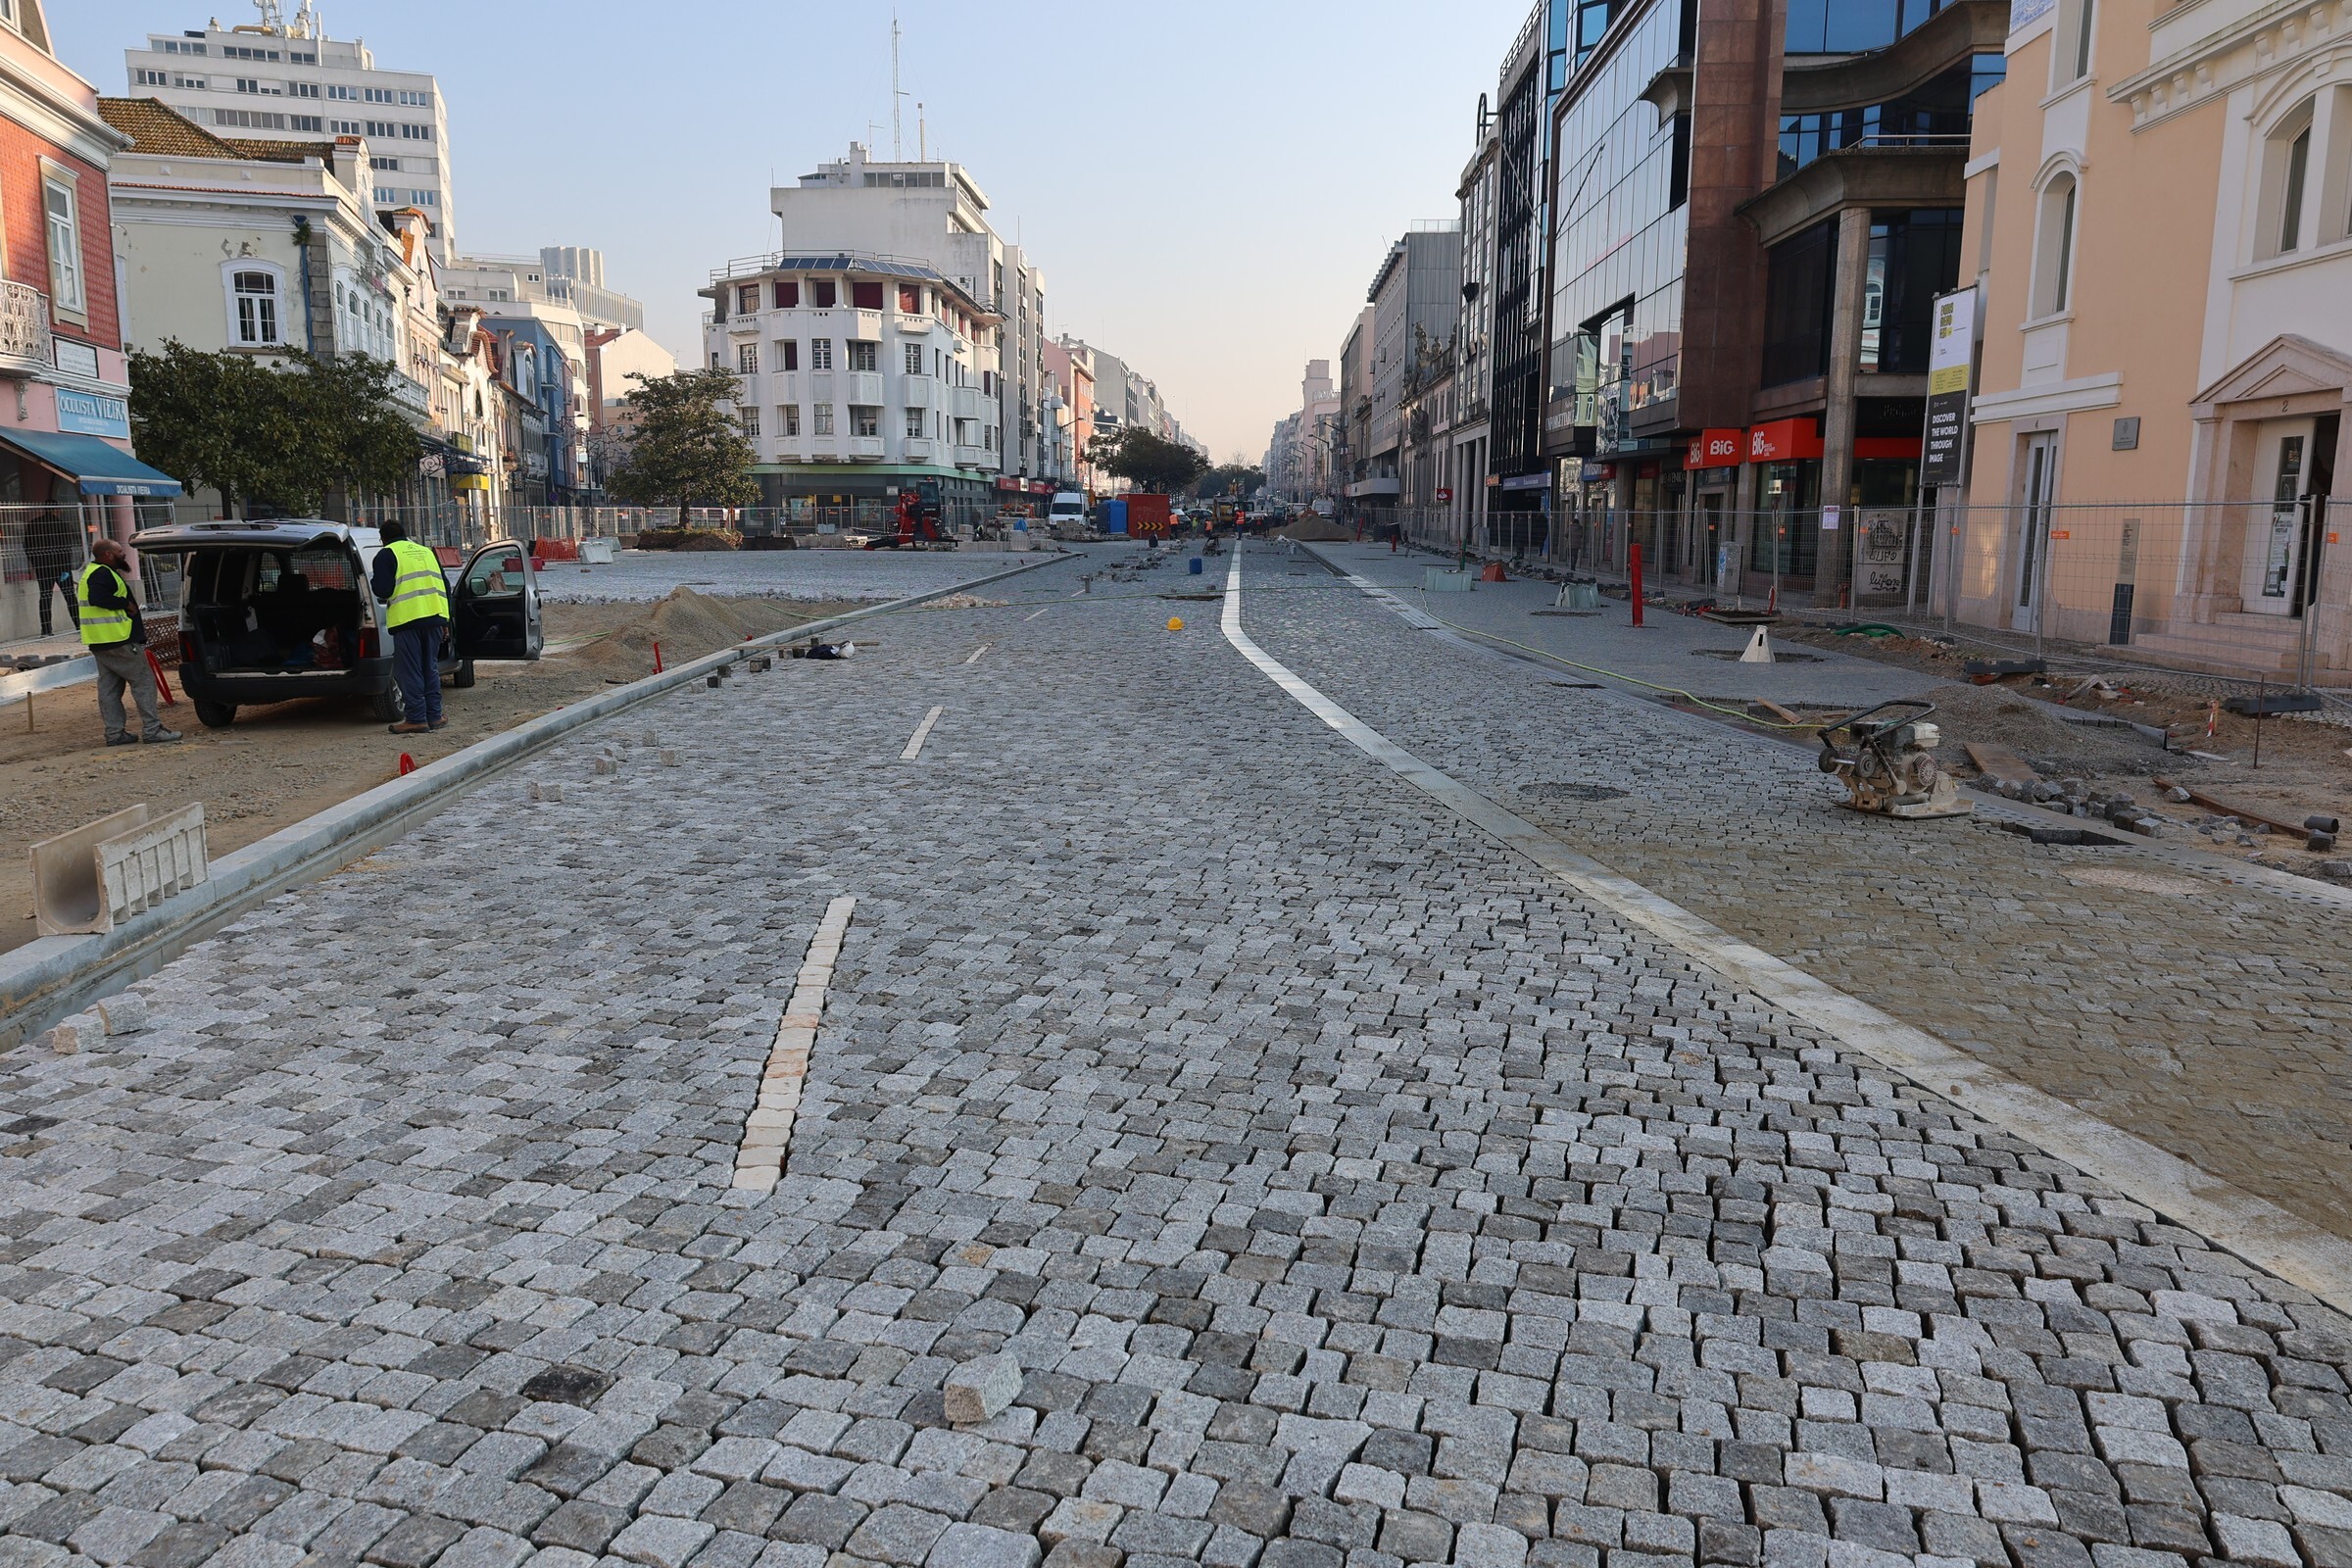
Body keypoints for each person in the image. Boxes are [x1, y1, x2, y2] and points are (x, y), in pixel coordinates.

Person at [77, 539, 180, 747]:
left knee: (109, 689)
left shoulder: (91, 572)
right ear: (108, 554)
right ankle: (153, 730)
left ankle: (115, 734)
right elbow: (98, 597)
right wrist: (126, 605)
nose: (123, 554)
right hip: (118, 639)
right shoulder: (102, 573)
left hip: (100, 641)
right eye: (119, 551)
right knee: (143, 681)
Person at [369, 521, 447, 733]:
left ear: (383, 539)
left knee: (410, 671)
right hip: (435, 617)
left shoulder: (386, 554)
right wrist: (446, 621)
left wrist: (375, 581)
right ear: (405, 534)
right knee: (429, 668)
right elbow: (445, 585)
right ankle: (435, 715)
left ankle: (416, 718)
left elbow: (383, 590)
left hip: (408, 621)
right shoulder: (426, 552)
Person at [24, 510, 79, 638]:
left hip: (43, 567)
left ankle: (46, 630)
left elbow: (27, 546)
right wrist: (66, 568)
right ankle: (78, 625)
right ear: (56, 510)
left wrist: (36, 562)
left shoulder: (34, 524)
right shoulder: (62, 524)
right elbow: (67, 547)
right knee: (70, 596)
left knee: (45, 597)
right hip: (61, 567)